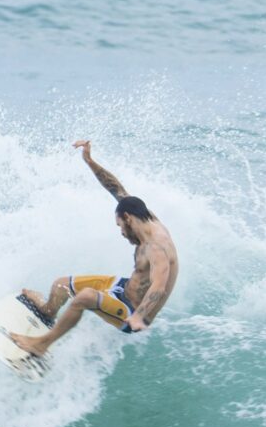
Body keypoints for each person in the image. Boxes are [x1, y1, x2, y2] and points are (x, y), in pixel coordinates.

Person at [11, 140, 180, 356]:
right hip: (123, 287)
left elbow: (159, 286)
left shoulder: (158, 246)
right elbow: (116, 188)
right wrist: (89, 161)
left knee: (85, 297)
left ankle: (40, 345)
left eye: (119, 226)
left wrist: (139, 316)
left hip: (133, 311)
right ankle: (48, 312)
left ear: (127, 218)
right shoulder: (142, 216)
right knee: (61, 285)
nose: (120, 232)